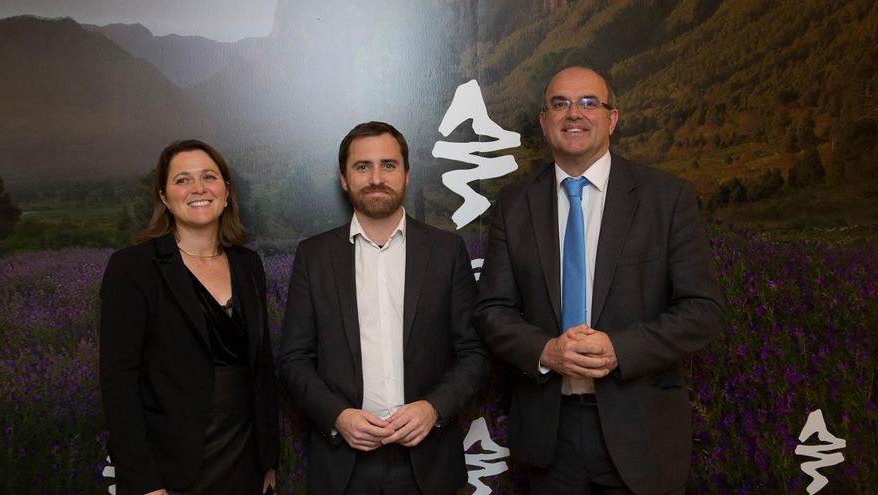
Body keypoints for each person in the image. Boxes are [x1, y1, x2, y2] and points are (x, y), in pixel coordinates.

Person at [473, 67, 725, 494]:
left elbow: (703, 310)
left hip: (642, 431)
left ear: (612, 119)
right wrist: (546, 351)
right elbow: (492, 310)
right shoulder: (514, 204)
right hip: (550, 436)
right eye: (560, 104)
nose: (574, 113)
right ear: (544, 121)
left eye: (589, 102)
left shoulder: (666, 197)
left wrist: (619, 350)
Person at [278, 121, 489, 495]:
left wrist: (433, 408)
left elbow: (474, 352)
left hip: (427, 463)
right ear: (344, 179)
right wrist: (337, 416)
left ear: (406, 174)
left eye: (388, 165)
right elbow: (294, 359)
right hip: (344, 465)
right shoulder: (314, 256)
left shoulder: (446, 251)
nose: (376, 178)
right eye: (363, 167)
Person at [99, 140, 279, 495]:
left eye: (209, 177)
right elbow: (119, 382)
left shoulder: (249, 264)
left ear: (226, 191)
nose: (198, 188)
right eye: (183, 180)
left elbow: (262, 367)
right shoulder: (133, 267)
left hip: (246, 454)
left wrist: (268, 458)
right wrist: (144, 481)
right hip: (172, 464)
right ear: (164, 197)